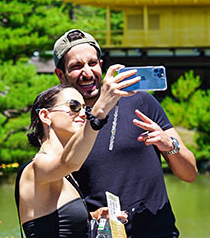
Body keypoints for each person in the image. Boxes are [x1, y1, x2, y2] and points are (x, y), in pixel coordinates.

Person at [53, 29, 197, 238]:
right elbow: (54, 205)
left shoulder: (140, 101)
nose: (87, 72)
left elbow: (190, 174)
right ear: (60, 75)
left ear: (101, 66)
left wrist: (170, 145)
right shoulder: (63, 120)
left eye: (92, 63)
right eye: (76, 66)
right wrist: (92, 216)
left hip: (159, 232)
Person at [15, 81, 134, 237]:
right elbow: (69, 162)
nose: (84, 114)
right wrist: (99, 112)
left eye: (86, 108)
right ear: (45, 116)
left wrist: (94, 216)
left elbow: (56, 223)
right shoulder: (38, 167)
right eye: (74, 106)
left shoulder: (65, 173)